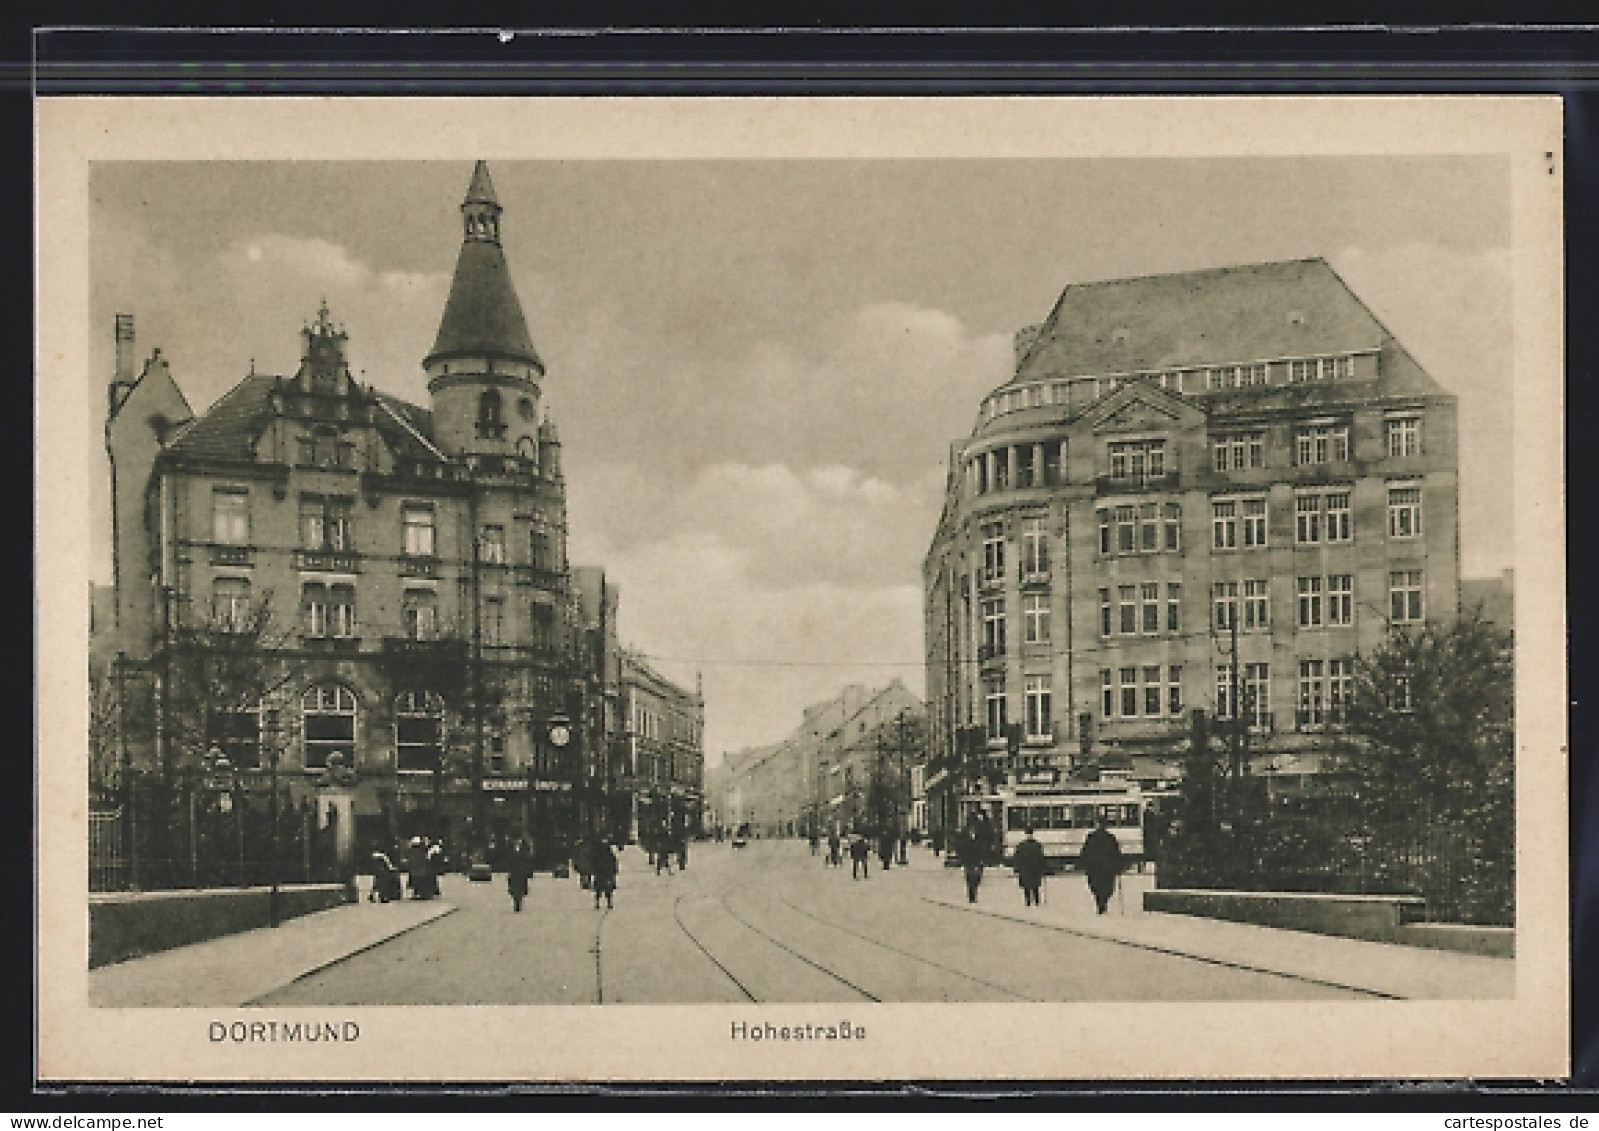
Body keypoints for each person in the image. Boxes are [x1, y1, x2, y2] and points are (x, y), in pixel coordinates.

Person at [1078, 818, 1126, 915]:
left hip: (1094, 868)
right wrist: (1119, 866)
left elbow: (1085, 852)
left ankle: (1100, 903)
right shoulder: (1110, 838)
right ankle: (1103, 902)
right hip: (1107, 868)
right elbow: (1116, 853)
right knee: (1107, 887)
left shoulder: (1091, 837)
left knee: (1096, 886)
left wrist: (1084, 864)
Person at [1012, 825, 1046, 907]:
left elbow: (1017, 858)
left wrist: (1016, 868)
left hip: (1027, 868)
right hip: (1032, 868)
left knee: (1029, 885)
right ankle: (1034, 901)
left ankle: (1030, 901)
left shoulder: (1021, 845)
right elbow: (1041, 858)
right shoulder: (1037, 845)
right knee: (1033, 885)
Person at [958, 817, 986, 903]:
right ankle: (971, 895)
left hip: (977, 861)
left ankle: (973, 892)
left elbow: (982, 848)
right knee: (970, 878)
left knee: (977, 878)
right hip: (969, 861)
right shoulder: (965, 837)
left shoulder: (979, 837)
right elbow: (961, 848)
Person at [590, 836, 618, 909]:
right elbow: (614, 863)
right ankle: (602, 903)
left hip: (603, 873)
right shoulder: (606, 855)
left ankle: (604, 903)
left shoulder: (601, 854)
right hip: (603, 873)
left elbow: (613, 863)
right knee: (602, 889)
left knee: (603, 889)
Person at [507, 838, 532, 913]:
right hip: (514, 874)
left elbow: (527, 861)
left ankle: (518, 904)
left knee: (520, 889)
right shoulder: (511, 850)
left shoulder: (524, 851)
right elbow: (509, 861)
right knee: (514, 890)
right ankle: (516, 904)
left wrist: (527, 872)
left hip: (521, 873)